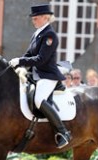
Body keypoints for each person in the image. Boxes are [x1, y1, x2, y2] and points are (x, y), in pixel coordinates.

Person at [9, 4, 71, 149]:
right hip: (35, 75)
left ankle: (63, 132)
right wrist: (16, 64)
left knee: (38, 100)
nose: (33, 21)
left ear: (45, 17)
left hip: (47, 75)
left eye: (36, 18)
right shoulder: (37, 33)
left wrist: (20, 61)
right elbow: (29, 55)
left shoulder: (50, 35)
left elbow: (41, 59)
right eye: (33, 19)